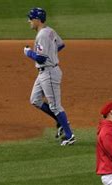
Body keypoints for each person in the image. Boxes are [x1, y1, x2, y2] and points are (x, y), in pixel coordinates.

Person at [24, 7, 75, 146]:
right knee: (35, 99)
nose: (29, 21)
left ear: (37, 19)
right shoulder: (50, 30)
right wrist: (52, 55)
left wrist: (28, 52)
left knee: (55, 106)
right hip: (44, 72)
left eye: (31, 18)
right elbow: (61, 44)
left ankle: (69, 135)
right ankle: (60, 122)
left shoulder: (42, 35)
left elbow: (40, 58)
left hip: (49, 73)